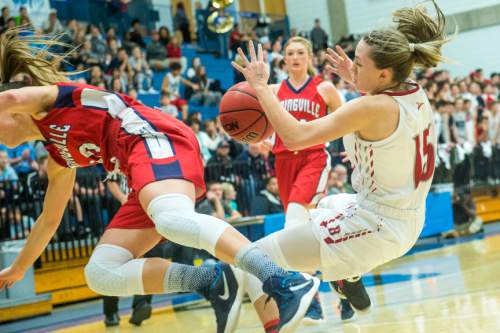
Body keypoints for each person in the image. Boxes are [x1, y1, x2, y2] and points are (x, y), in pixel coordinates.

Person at [0, 28, 320, 333]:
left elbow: (11, 98)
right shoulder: (57, 155)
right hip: (140, 169)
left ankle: (282, 279)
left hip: (153, 136)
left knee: (170, 221)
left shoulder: (48, 101)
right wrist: (18, 269)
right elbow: (49, 219)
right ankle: (213, 281)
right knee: (102, 272)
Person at [231, 0, 447, 329]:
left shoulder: (370, 107)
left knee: (249, 260)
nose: (351, 68)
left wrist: (261, 88)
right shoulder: (415, 93)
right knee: (328, 203)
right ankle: (348, 275)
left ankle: (299, 292)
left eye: (358, 64)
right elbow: (391, 138)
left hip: (378, 225)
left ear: (384, 74)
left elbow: (295, 136)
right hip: (404, 215)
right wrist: (358, 81)